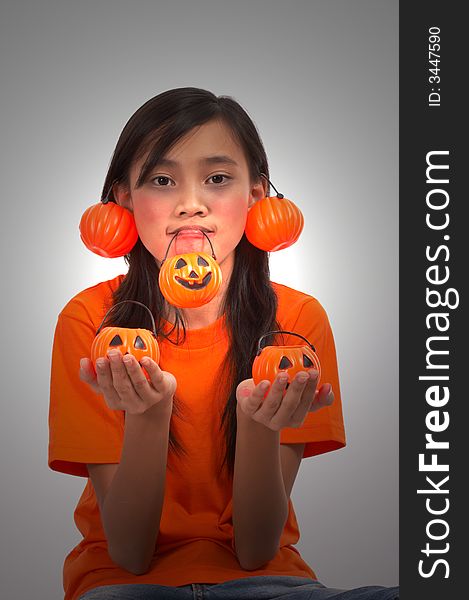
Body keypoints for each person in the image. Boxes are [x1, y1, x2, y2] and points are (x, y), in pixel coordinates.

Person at [48, 87, 399, 600]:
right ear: (124, 198)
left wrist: (258, 419)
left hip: (269, 584)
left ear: (256, 195)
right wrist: (151, 410)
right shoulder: (91, 322)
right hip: (123, 586)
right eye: (162, 181)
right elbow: (129, 551)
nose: (191, 204)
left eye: (217, 178)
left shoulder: (298, 322)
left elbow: (256, 550)